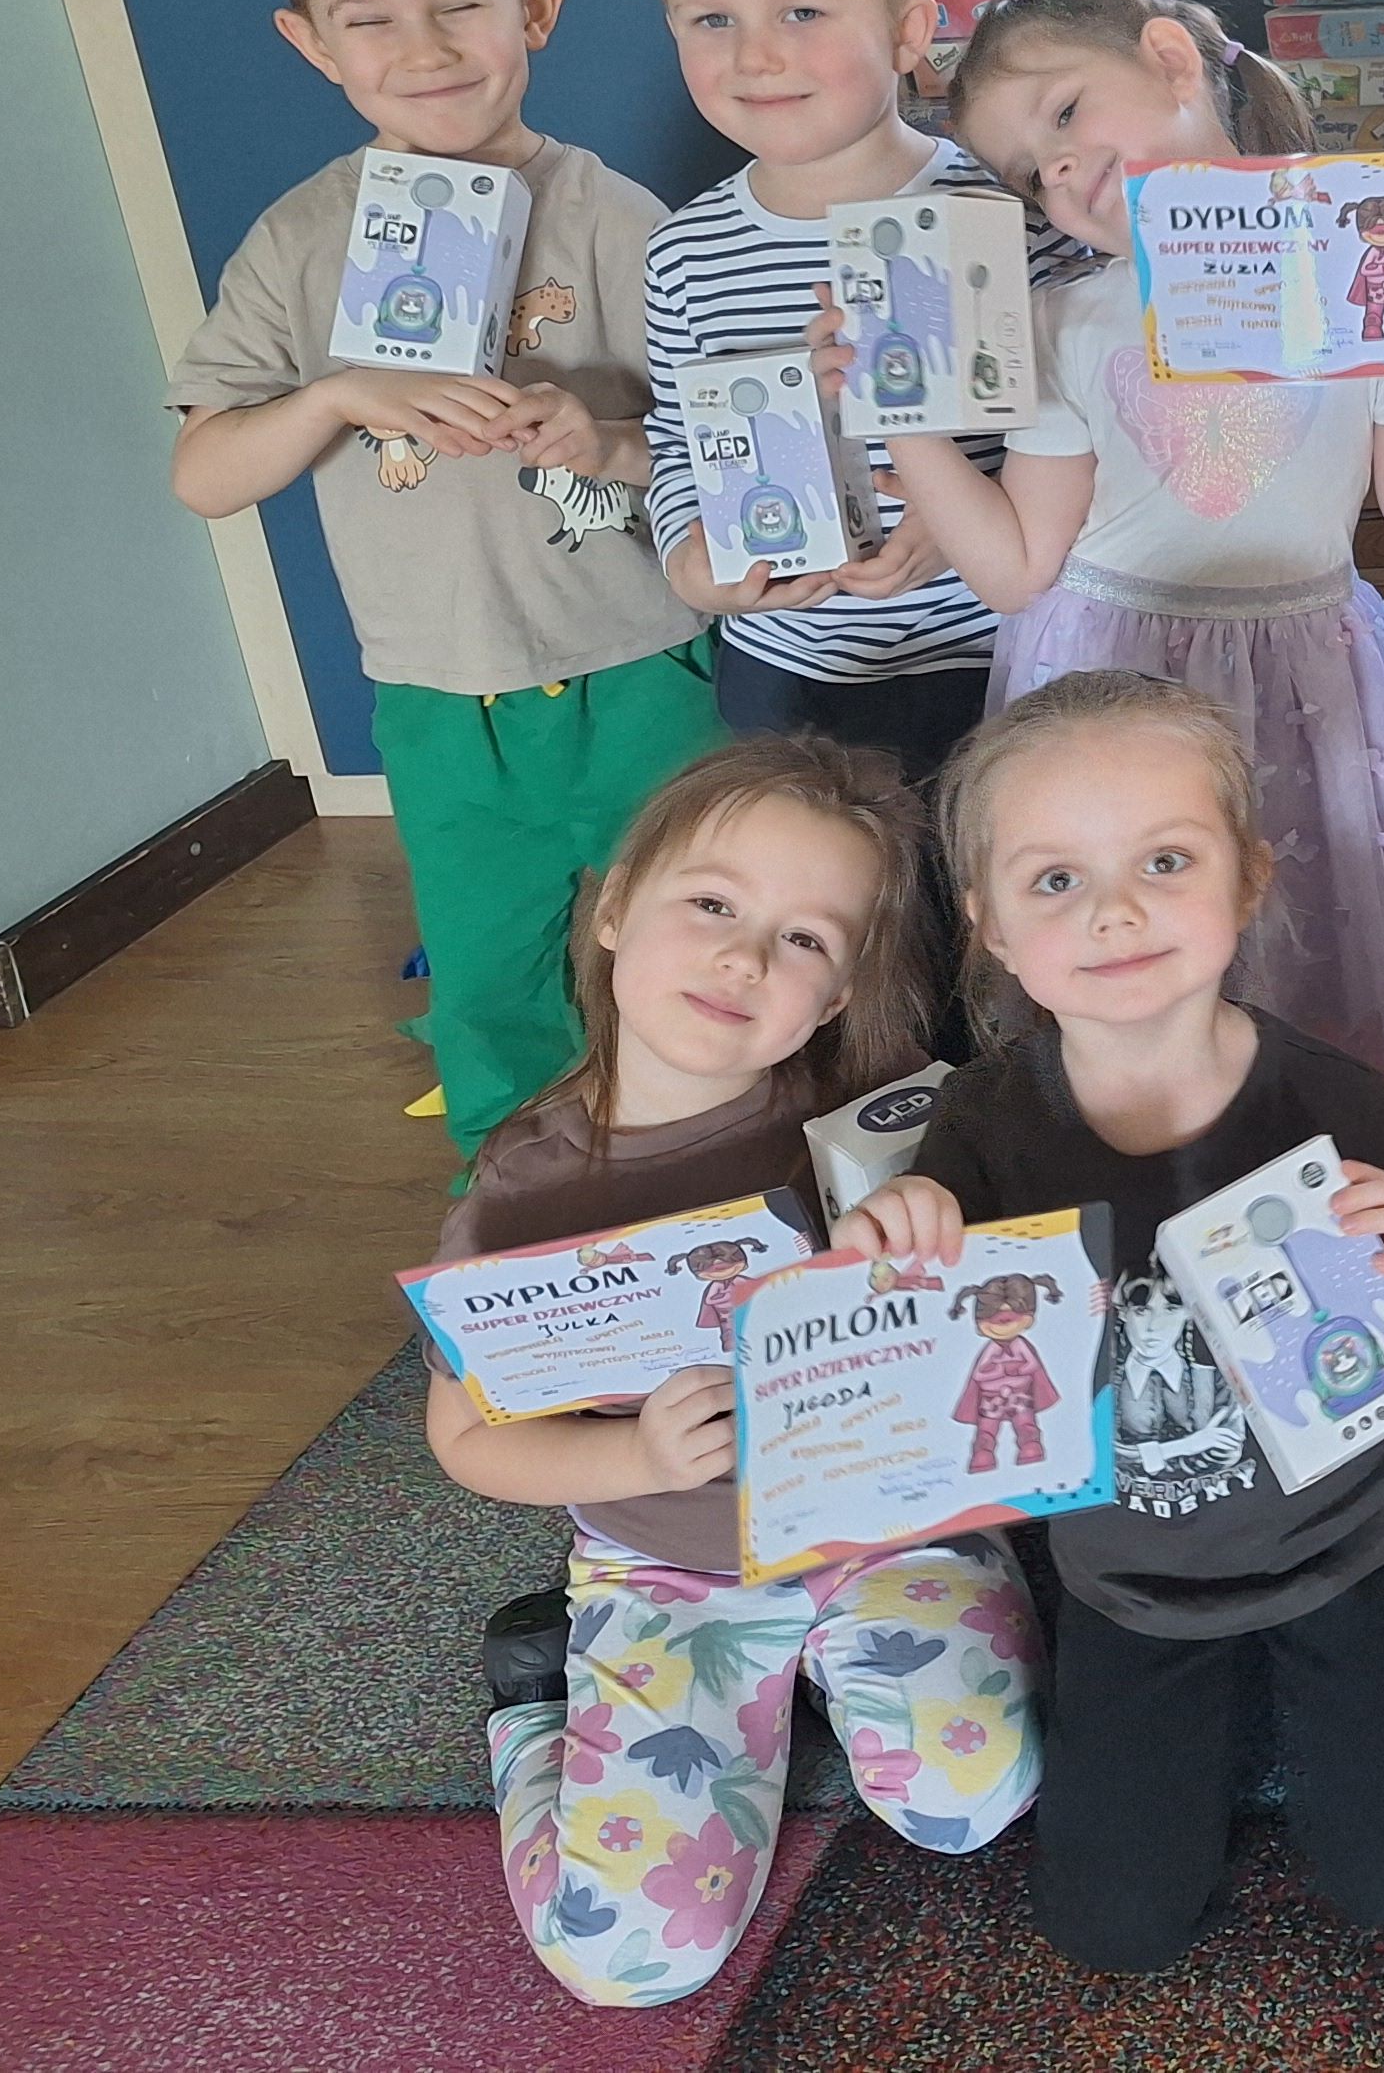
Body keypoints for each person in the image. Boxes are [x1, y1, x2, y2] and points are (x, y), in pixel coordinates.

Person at [846, 671, 1384, 1970]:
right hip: (1129, 1578)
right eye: (1056, 880)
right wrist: (893, 1241)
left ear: (1248, 878)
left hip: (1359, 1537)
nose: (1116, 910)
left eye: (1164, 859)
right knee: (1112, 1926)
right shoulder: (980, 1123)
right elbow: (917, 1380)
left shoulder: (1334, 1100)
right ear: (987, 923)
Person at [419, 735, 1033, 2005]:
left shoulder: (884, 1121)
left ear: (840, 992)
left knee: (968, 1803)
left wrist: (934, 1230)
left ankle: (828, 1675)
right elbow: (467, 1437)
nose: (747, 957)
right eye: (711, 904)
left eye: (805, 938)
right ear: (613, 909)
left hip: (882, 1527)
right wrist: (631, 1453)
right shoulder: (521, 1193)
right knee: (626, 1961)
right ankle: (534, 1717)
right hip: (672, 1566)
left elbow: (1001, 1330)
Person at [171, 0, 720, 1159]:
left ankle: (725, 1163)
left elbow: (718, 441)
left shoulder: (618, 219)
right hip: (439, 698)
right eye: (370, 20)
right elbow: (204, 472)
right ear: (312, 43)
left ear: (535, 9)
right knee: (491, 985)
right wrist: (333, 396)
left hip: (640, 666)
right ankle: (514, 1205)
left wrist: (597, 426)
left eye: (459, 5)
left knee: (702, 950)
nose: (421, 50)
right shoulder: (300, 243)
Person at [867, 0, 1384, 1085]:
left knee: (1300, 931)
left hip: (1305, 671)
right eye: (1033, 174)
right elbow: (1016, 569)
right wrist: (901, 418)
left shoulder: (1359, 274)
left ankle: (1296, 1122)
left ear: (1170, 60)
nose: (1062, 173)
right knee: (1129, 937)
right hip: (1114, 671)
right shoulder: (1063, 319)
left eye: (1066, 114)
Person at [636, 0, 1082, 776]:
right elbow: (676, 443)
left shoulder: (1007, 213)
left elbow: (1085, 419)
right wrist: (692, 561)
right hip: (784, 667)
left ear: (907, 33)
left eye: (802, 13)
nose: (756, 56)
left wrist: (960, 528)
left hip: (997, 652)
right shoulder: (683, 252)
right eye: (713, 20)